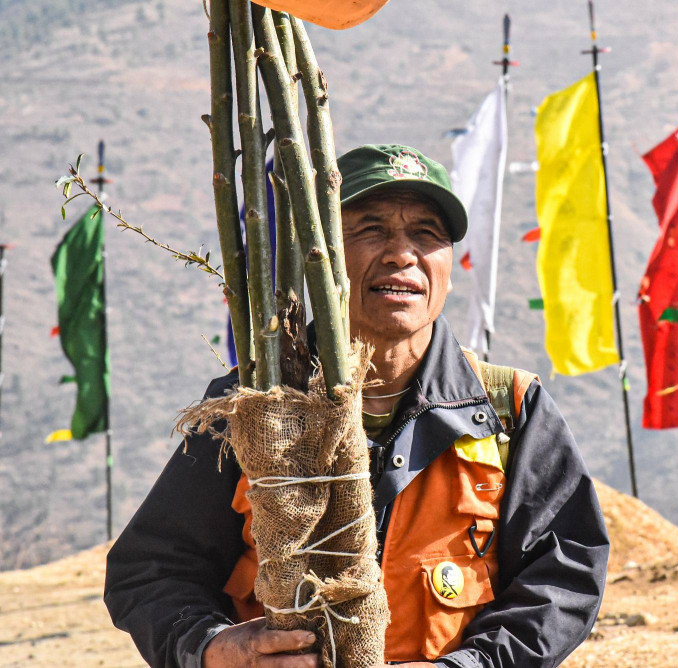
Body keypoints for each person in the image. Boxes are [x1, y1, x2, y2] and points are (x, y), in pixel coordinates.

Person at [105, 144, 610, 668]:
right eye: (371, 229)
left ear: (450, 264)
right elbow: (150, 572)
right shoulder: (254, 408)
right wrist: (213, 648)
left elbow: (564, 575)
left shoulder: (508, 408)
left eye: (426, 234)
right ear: (317, 255)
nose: (401, 254)